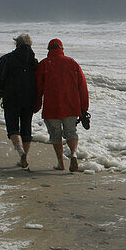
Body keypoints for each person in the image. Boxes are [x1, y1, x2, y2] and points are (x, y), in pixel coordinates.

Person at [34, 38, 89, 173]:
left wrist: (36, 106)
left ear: (49, 50)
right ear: (62, 49)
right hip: (71, 105)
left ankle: (60, 162)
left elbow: (38, 88)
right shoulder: (72, 63)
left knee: (55, 135)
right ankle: (74, 155)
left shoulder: (44, 64)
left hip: (52, 106)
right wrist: (84, 107)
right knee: (71, 132)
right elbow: (82, 86)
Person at [0, 33, 39, 170]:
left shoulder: (7, 59)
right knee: (26, 127)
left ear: (16, 44)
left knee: (13, 127)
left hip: (11, 96)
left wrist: (1, 89)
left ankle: (21, 153)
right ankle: (24, 156)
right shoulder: (34, 61)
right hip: (30, 97)